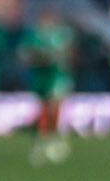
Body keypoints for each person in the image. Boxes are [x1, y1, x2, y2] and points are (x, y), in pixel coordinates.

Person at [20, 11, 75, 164]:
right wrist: (38, 57)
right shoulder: (35, 36)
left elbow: (67, 55)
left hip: (57, 77)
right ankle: (43, 140)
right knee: (44, 109)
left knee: (55, 106)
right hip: (41, 78)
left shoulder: (61, 35)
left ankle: (54, 138)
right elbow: (25, 55)